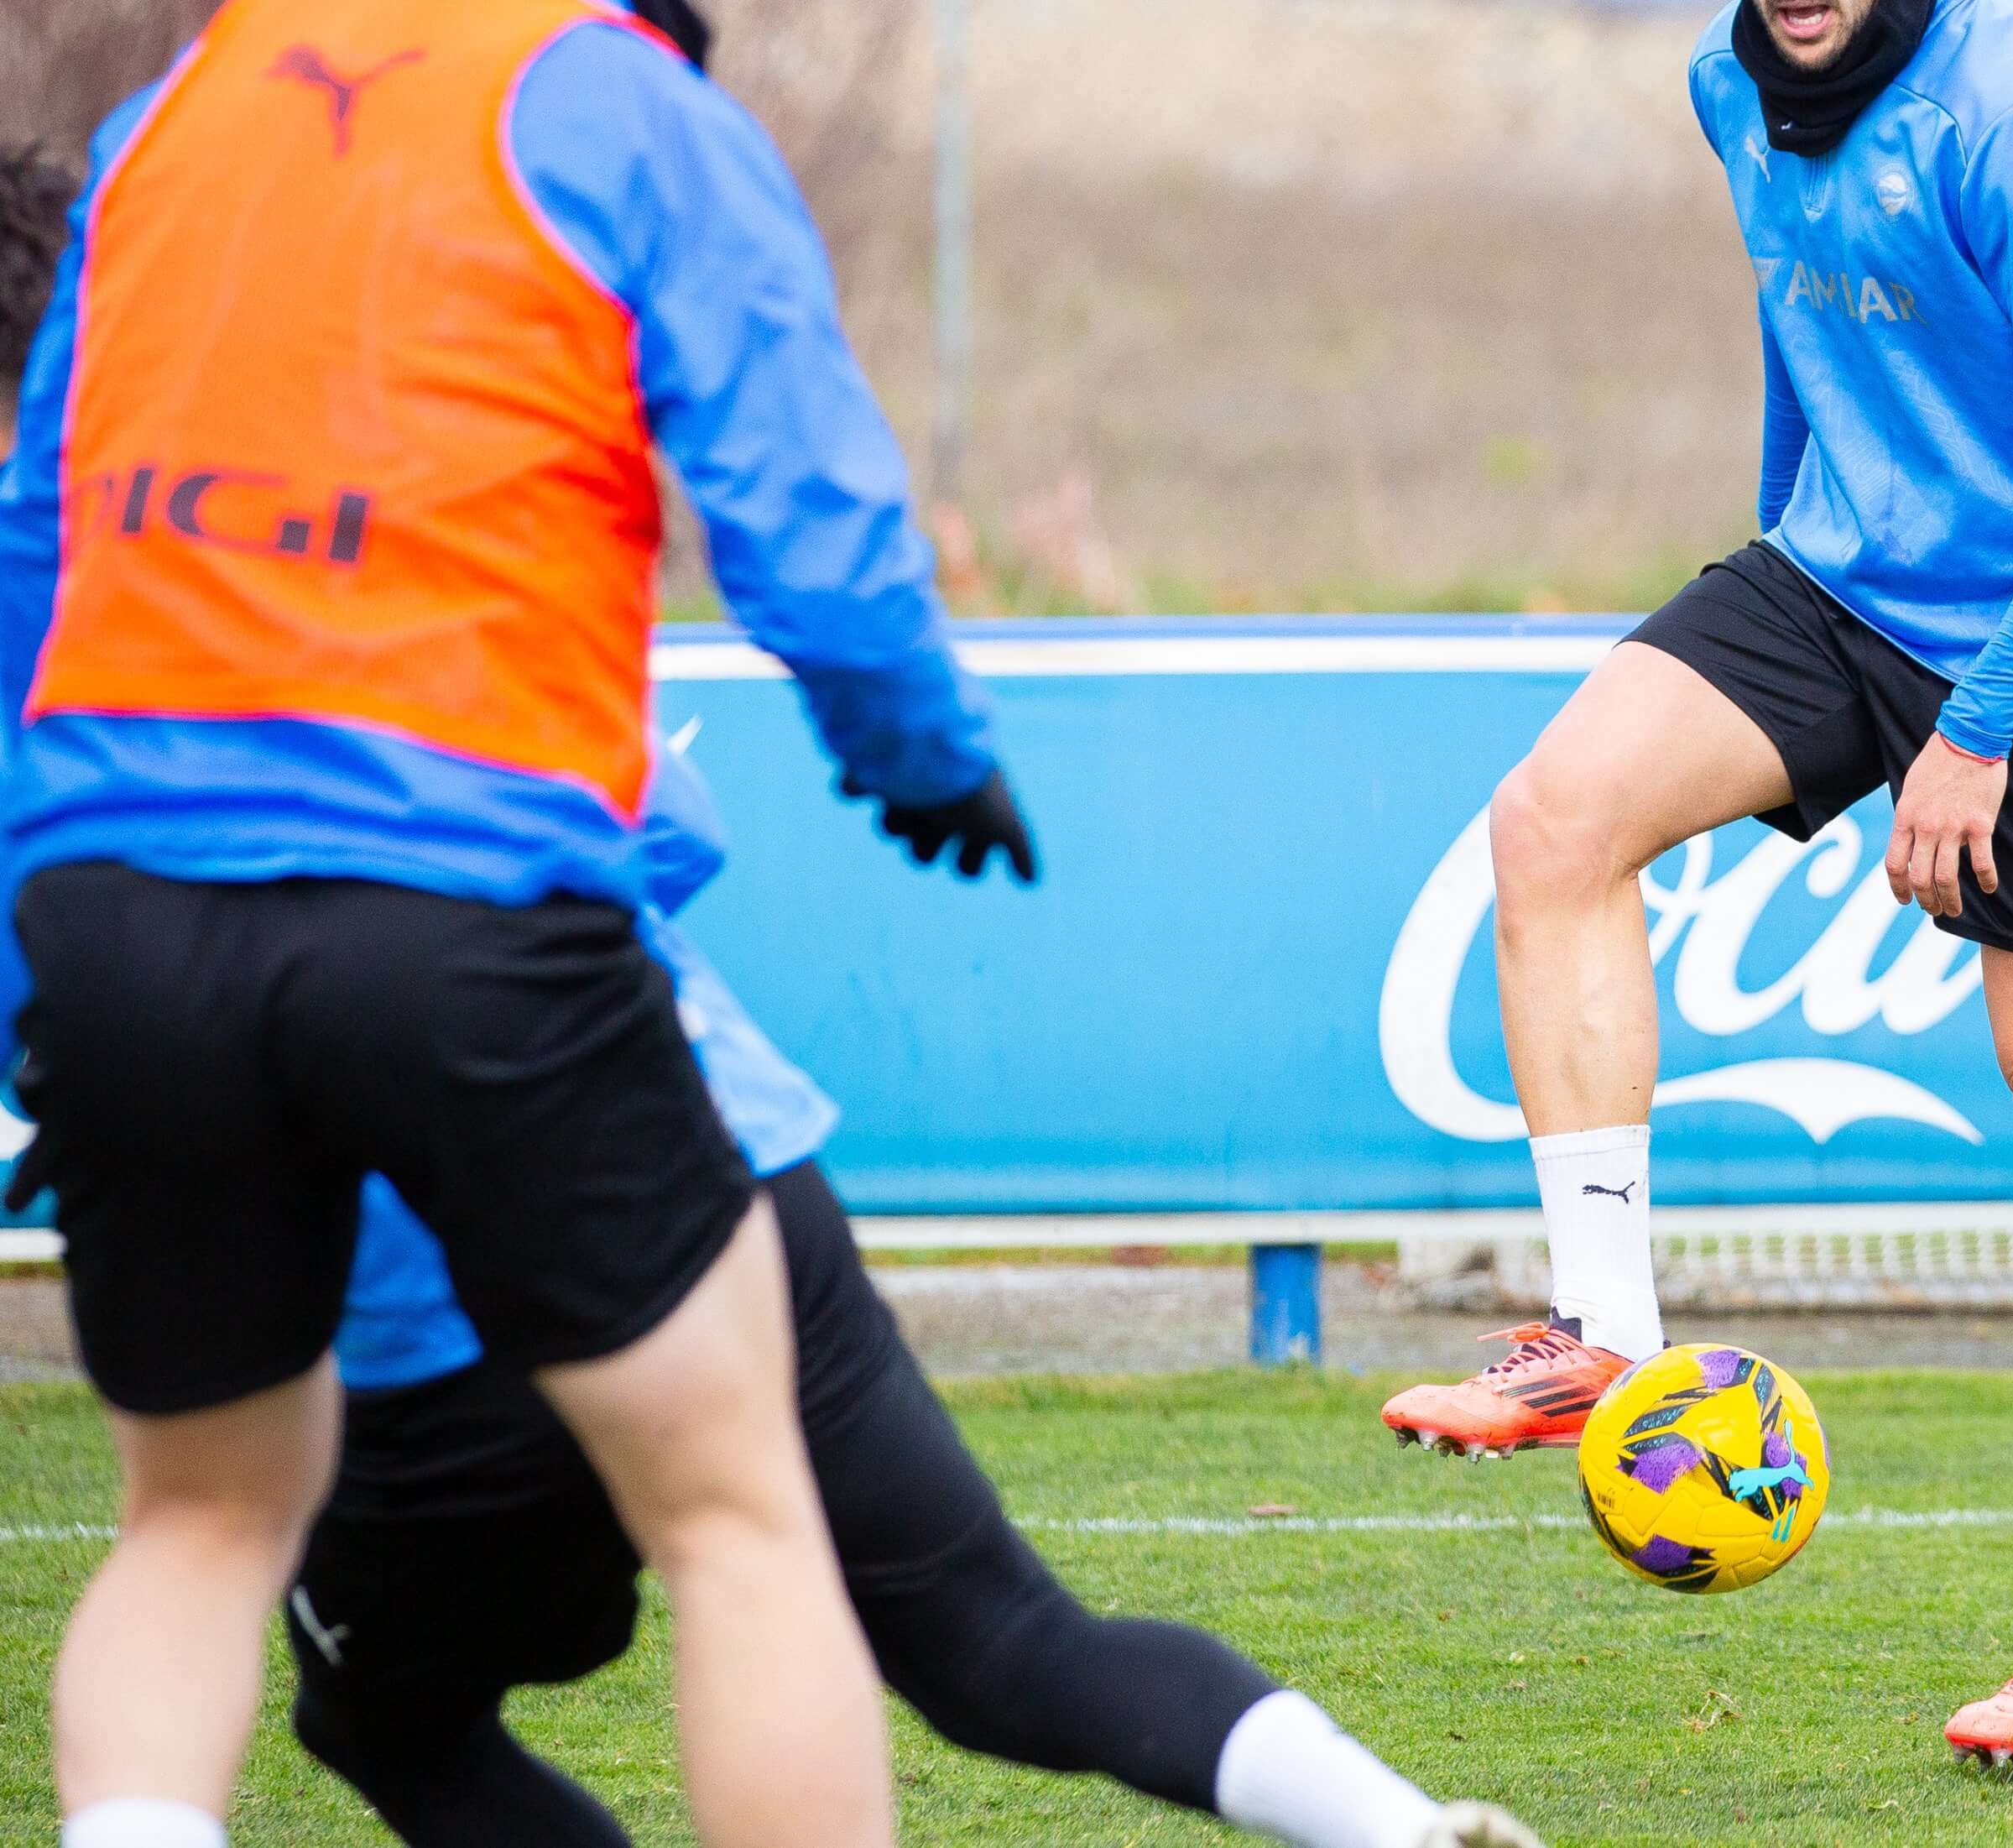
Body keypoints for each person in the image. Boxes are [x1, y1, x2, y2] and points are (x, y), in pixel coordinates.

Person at [0, 0, 1033, 1848]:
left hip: (115, 891)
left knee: (197, 1522)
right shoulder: (627, 102)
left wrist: (38, 937)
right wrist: (917, 751)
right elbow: (805, 510)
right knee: (743, 1511)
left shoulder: (183, 91)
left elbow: (44, 539)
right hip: (448, 893)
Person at [1379, 0, 2013, 1771]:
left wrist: (1975, 734)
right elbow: (1803, 317)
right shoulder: (1723, 83)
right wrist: (1781, 559)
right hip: (1841, 583)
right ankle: (1602, 1339)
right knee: (1554, 819)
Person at [277, 725, 1539, 1848]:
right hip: (731, 1172)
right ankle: (1397, 1823)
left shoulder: (162, 709)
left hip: (451, 1295)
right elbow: (674, 819)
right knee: (1002, 1641)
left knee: (373, 1705)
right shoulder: (483, 612)